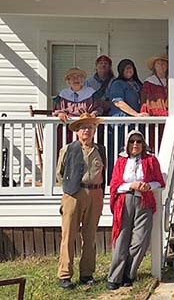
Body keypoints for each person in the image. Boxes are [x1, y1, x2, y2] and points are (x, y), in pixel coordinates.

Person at [107, 130, 165, 290]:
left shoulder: (151, 160)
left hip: (144, 200)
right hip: (125, 201)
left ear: (143, 144)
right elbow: (115, 185)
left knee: (140, 240)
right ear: (127, 144)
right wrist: (130, 185)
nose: (135, 144)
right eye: (132, 141)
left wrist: (148, 186)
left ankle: (129, 274)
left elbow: (160, 182)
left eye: (139, 141)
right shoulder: (121, 161)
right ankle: (114, 277)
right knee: (121, 239)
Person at [56, 114, 106, 290]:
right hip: (73, 193)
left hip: (96, 193)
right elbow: (59, 173)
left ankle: (86, 273)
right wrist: (70, 188)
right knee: (68, 235)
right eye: (83, 127)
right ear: (77, 131)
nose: (87, 130)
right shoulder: (68, 149)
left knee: (90, 235)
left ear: (94, 130)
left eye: (90, 127)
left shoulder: (101, 149)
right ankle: (64, 275)